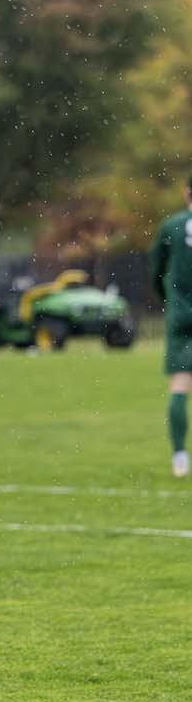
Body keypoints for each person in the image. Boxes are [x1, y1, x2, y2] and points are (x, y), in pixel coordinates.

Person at [150, 175, 192, 478]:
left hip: (181, 314)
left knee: (180, 384)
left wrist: (171, 300)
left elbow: (156, 272)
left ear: (187, 192)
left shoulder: (172, 227)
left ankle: (180, 457)